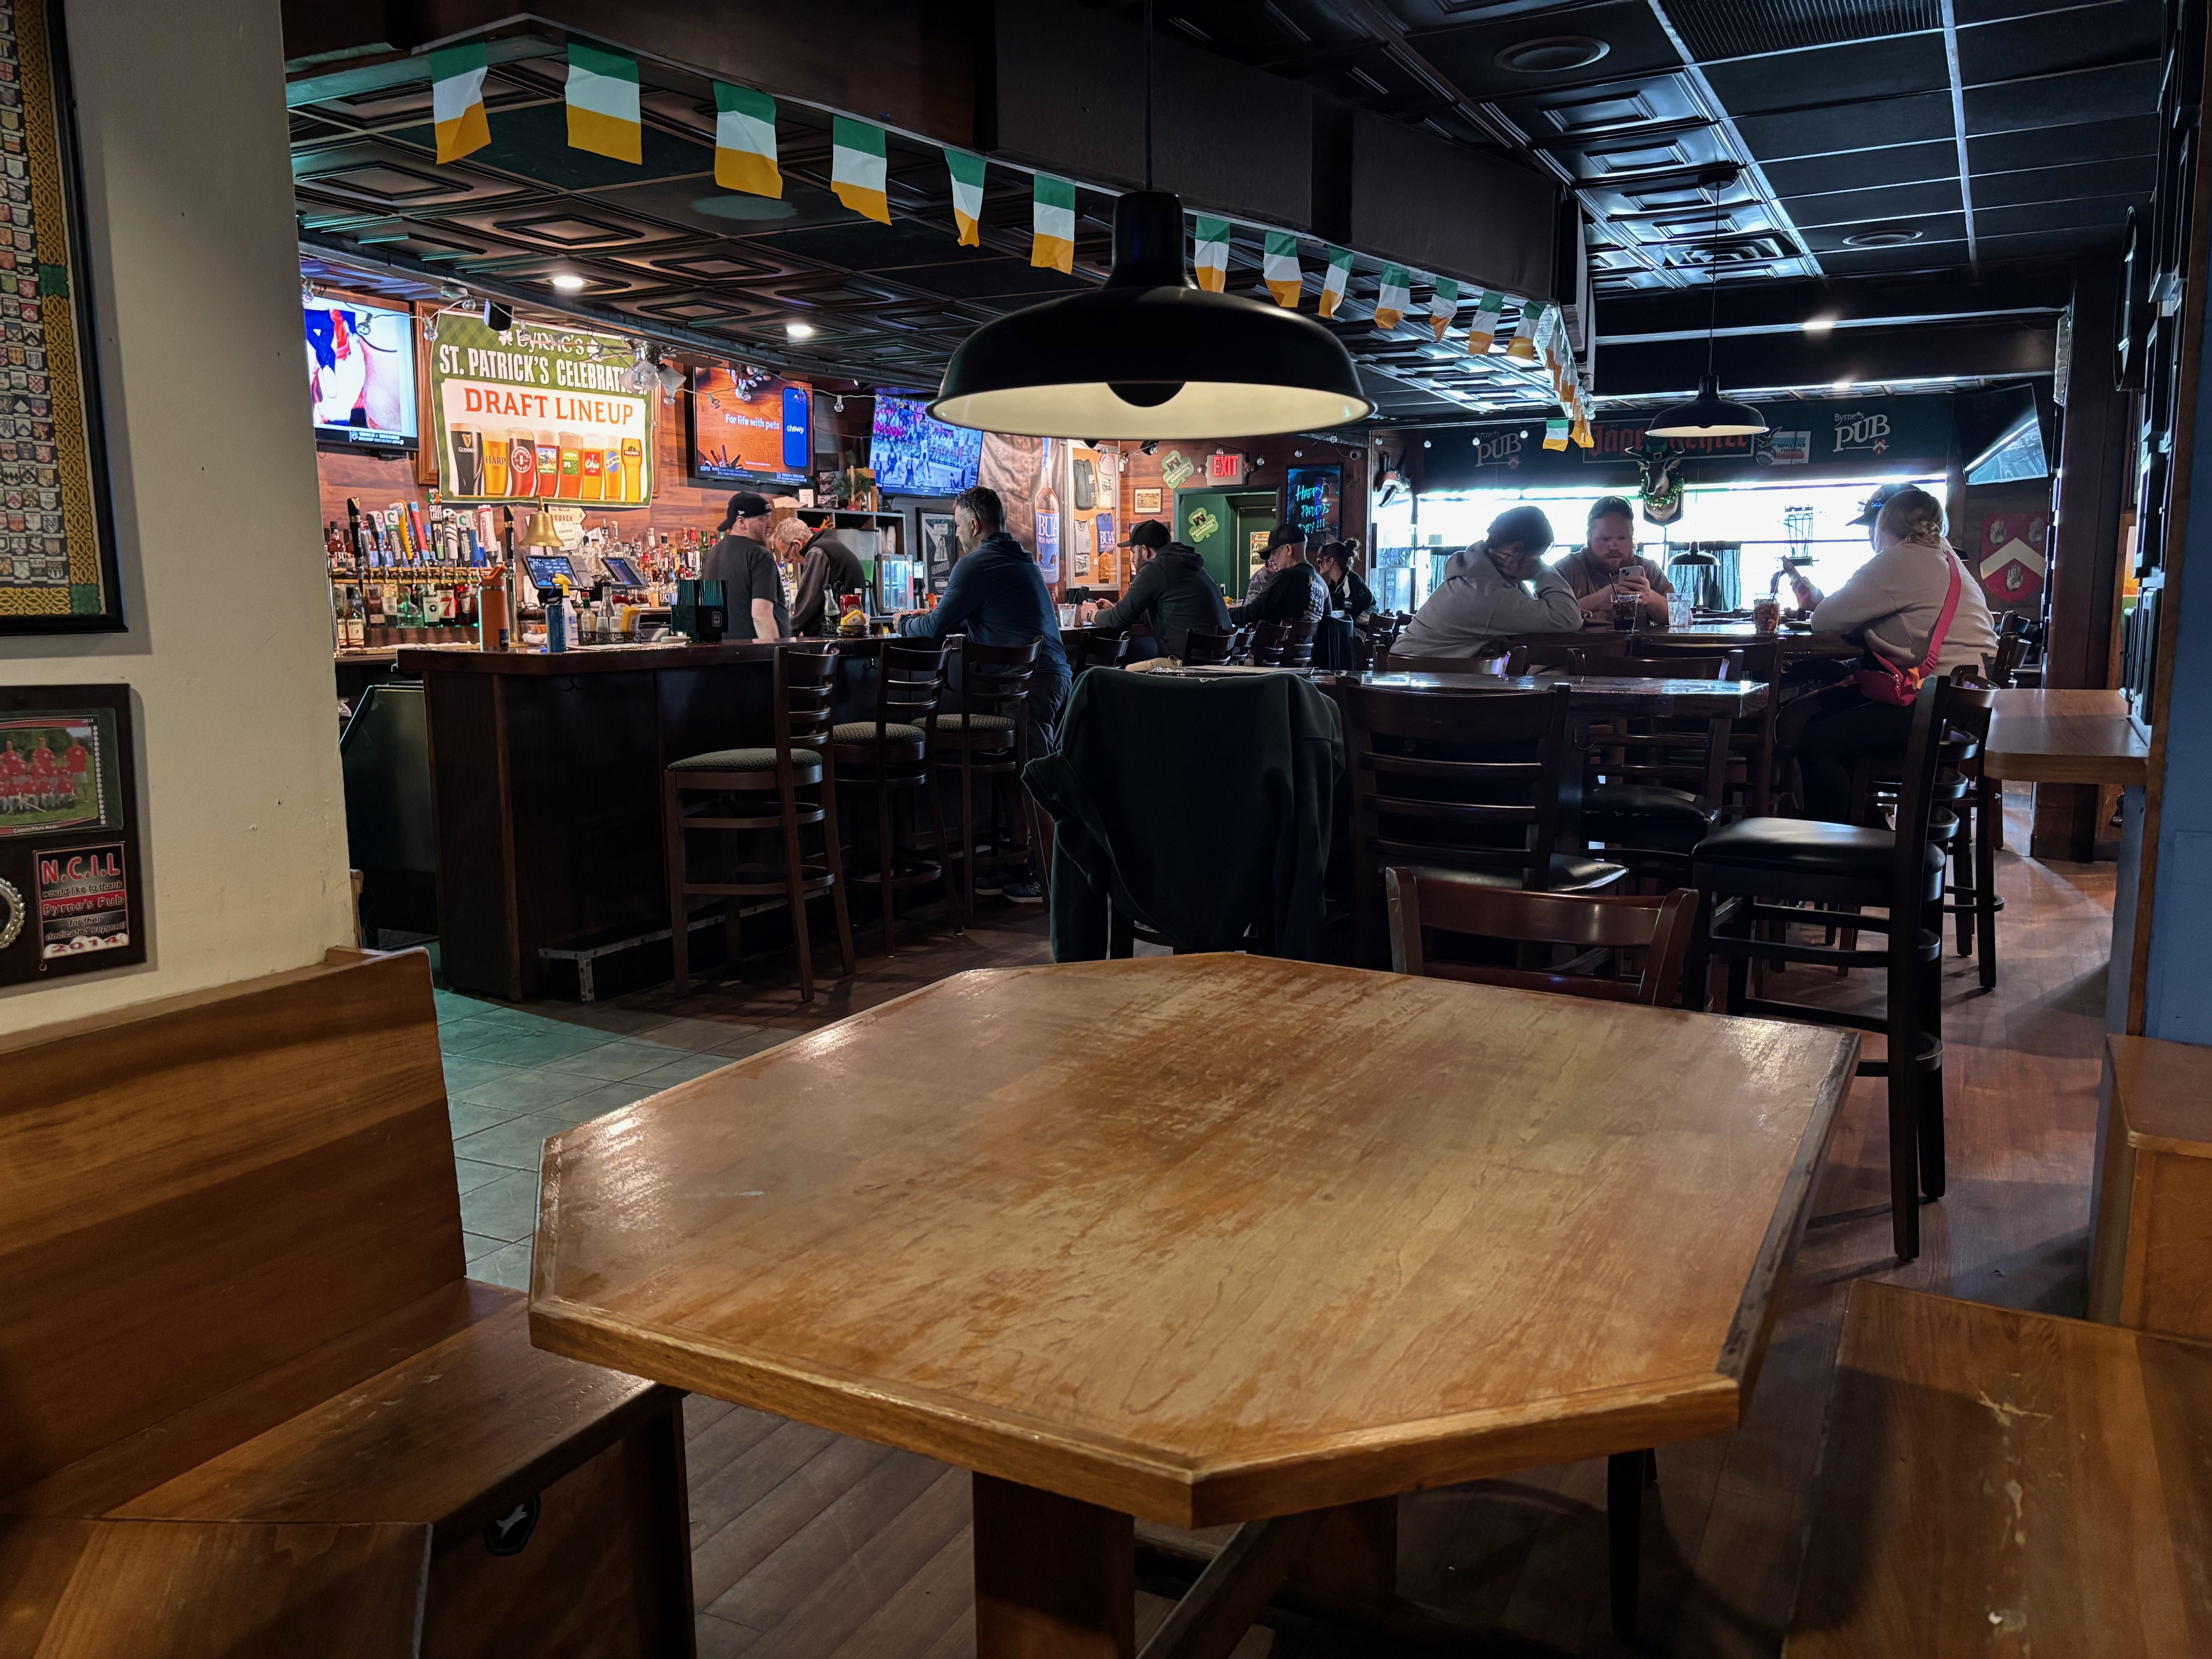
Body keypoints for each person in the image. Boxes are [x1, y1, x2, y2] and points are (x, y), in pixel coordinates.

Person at [1779, 484, 1998, 823]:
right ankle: (1872, 839)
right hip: (1966, 708)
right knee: (1835, 726)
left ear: (1884, 525)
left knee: (1818, 741)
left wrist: (1843, 615)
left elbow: (1823, 620)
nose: (1871, 536)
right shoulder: (1949, 558)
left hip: (1931, 709)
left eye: (1873, 527)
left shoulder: (1899, 558)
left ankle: (1844, 856)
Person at [898, 485, 1071, 902]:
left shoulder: (976, 564)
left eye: (958, 526)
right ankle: (1019, 863)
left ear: (974, 525)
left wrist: (904, 622)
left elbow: (936, 625)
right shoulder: (1020, 559)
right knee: (1020, 775)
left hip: (1029, 683)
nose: (957, 534)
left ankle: (1053, 882)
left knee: (1034, 780)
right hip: (1049, 677)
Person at [1392, 505, 1579, 658]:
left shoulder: (1481, 574)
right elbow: (1569, 618)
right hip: (1412, 687)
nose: (1537, 564)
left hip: (1412, 677)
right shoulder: (1486, 592)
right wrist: (1541, 571)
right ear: (1516, 549)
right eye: (1537, 558)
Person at [1079, 522, 1231, 660]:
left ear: (1145, 550)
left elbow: (1119, 620)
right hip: (1214, 660)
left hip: (1186, 665)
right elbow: (1166, 610)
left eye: (1133, 552)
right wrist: (1114, 611)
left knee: (1126, 676)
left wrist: (1091, 614)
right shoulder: (1185, 563)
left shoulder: (1156, 568)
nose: (1132, 559)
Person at [1554, 496, 1672, 625]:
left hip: (1636, 646)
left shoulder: (1647, 570)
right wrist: (1597, 601)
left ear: (1632, 538)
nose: (1614, 547)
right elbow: (1540, 620)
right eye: (1605, 539)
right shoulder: (1566, 570)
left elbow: (1684, 619)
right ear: (1589, 541)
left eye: (1622, 538)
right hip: (1580, 646)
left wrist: (1650, 597)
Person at [700, 491, 790, 641]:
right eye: (763, 519)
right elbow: (761, 615)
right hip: (753, 656)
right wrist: (776, 654)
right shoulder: (760, 556)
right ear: (742, 522)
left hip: (722, 654)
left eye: (770, 518)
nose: (771, 525)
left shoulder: (712, 554)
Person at [778, 515, 866, 636]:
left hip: (834, 640)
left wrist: (785, 635)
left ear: (797, 545)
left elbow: (808, 602)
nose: (789, 561)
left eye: (787, 555)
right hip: (849, 634)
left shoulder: (817, 552)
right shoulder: (830, 545)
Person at [1230, 524, 1326, 631]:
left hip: (1275, 647)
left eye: (1274, 552)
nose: (1271, 559)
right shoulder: (1319, 581)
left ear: (1289, 549)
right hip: (1304, 647)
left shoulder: (1287, 577)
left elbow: (1250, 615)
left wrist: (1224, 612)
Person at [1313, 540, 1375, 622]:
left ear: (1331, 561)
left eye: (1320, 561)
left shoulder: (1352, 583)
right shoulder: (1335, 583)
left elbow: (1348, 619)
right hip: (1352, 629)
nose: (1319, 564)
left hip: (1361, 631)